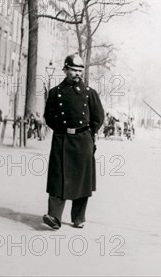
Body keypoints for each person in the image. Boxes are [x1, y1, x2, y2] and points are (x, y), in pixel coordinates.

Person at [42, 54, 104, 230]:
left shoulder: (90, 93)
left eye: (79, 71)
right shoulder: (55, 93)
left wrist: (88, 134)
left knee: (81, 180)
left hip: (82, 140)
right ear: (65, 70)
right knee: (57, 178)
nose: (77, 74)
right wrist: (61, 131)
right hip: (61, 139)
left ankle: (78, 217)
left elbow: (98, 117)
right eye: (73, 70)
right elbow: (49, 116)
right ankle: (54, 217)